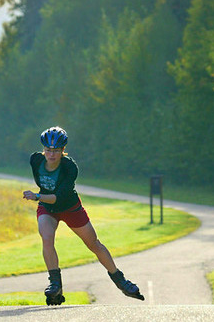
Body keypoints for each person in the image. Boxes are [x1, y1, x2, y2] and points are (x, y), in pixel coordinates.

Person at [23, 126, 144, 305]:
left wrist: (37, 196)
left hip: (70, 207)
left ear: (63, 150)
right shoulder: (35, 160)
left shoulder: (70, 168)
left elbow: (58, 197)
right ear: (43, 149)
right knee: (46, 237)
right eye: (48, 150)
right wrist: (40, 198)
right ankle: (55, 285)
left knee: (93, 244)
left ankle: (121, 281)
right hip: (47, 208)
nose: (51, 154)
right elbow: (48, 197)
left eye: (56, 151)